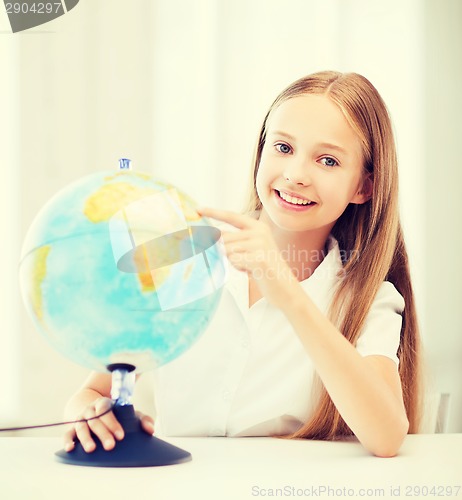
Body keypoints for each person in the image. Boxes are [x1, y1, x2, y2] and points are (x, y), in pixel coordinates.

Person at [63, 70, 421, 458]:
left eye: (328, 160)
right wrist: (87, 414)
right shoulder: (183, 257)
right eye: (283, 148)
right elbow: (94, 391)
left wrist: (288, 293)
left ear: (364, 187)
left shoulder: (367, 299)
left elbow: (386, 436)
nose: (296, 174)